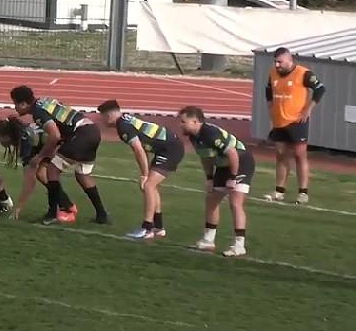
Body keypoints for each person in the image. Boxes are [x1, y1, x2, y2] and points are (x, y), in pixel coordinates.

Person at [9, 87, 109, 225]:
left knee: (52, 170)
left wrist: (39, 158)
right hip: (92, 131)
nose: (15, 108)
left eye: (15, 104)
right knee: (82, 175)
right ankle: (102, 214)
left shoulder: (38, 112)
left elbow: (55, 135)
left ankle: (53, 213)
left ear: (23, 104)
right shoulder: (46, 101)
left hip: (80, 134)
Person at [97, 100, 184, 240]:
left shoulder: (123, 126)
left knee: (149, 185)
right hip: (167, 147)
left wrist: (144, 174)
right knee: (152, 186)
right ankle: (158, 227)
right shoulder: (125, 120)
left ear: (109, 115)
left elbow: (139, 150)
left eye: (102, 116)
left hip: (170, 149)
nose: (102, 119)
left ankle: (147, 228)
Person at [179, 106, 254, 257]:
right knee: (212, 200)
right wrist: (209, 178)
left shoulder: (210, 133)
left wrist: (233, 178)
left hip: (241, 161)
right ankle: (208, 240)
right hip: (222, 165)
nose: (180, 125)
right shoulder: (195, 136)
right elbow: (205, 157)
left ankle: (239, 245)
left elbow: (232, 153)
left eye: (183, 121)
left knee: (235, 202)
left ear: (195, 121)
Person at [264, 47, 326, 204]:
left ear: (289, 60)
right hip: (279, 121)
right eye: (275, 62)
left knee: (300, 155)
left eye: (280, 62)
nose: (277, 65)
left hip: (297, 121)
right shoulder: (272, 73)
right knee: (281, 155)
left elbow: (320, 89)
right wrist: (271, 111)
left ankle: (303, 193)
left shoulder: (303, 73)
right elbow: (269, 93)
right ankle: (279, 191)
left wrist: (308, 109)